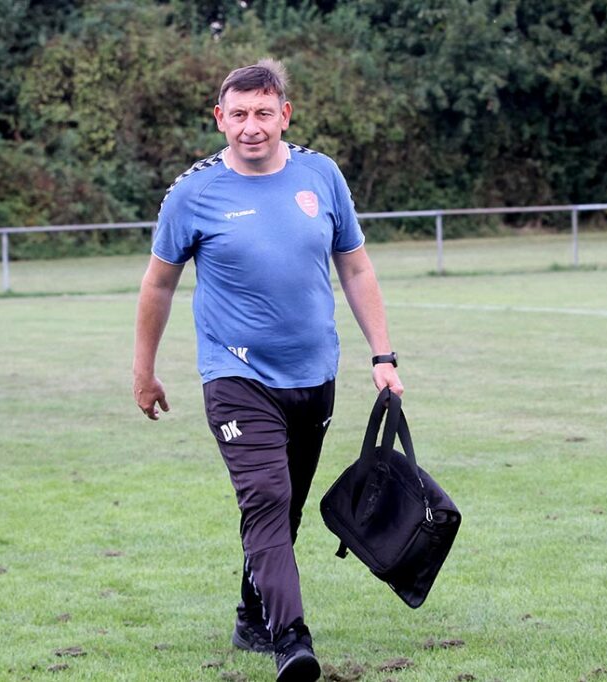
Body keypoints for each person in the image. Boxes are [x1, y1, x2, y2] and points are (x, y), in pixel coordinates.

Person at [132, 59, 403, 682]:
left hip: (314, 374)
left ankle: (253, 615)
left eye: (263, 113)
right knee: (268, 498)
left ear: (285, 115)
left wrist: (383, 355)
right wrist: (143, 372)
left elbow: (356, 269)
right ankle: (291, 641)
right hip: (235, 375)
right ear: (219, 119)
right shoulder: (193, 193)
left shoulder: (321, 175)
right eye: (238, 115)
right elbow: (158, 286)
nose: (251, 127)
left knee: (284, 509)